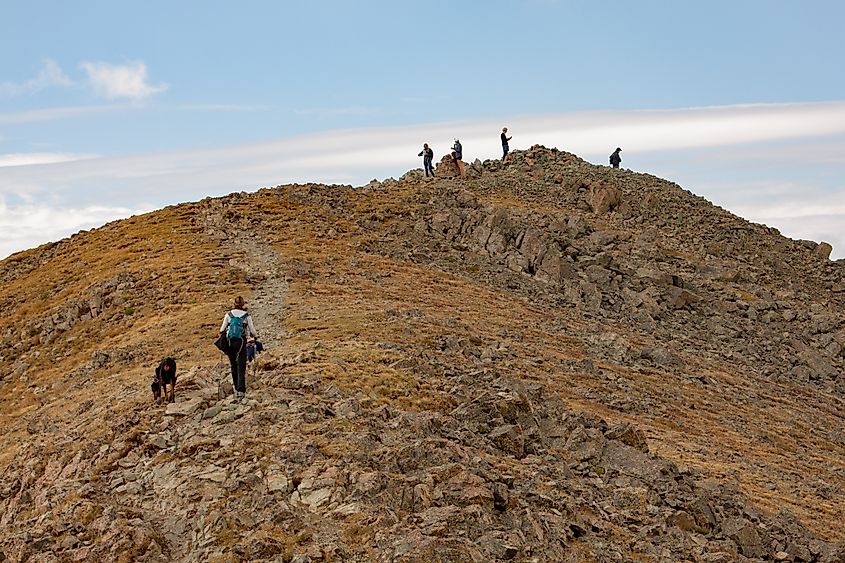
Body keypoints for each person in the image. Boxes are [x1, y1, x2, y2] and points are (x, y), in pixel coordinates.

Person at [219, 296, 259, 401]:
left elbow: (222, 329)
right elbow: (252, 331)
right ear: (243, 304)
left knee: (233, 364)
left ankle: (236, 388)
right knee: (241, 365)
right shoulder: (246, 316)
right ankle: (241, 390)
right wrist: (255, 337)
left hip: (230, 342)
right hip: (241, 341)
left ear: (234, 303)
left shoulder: (228, 315)